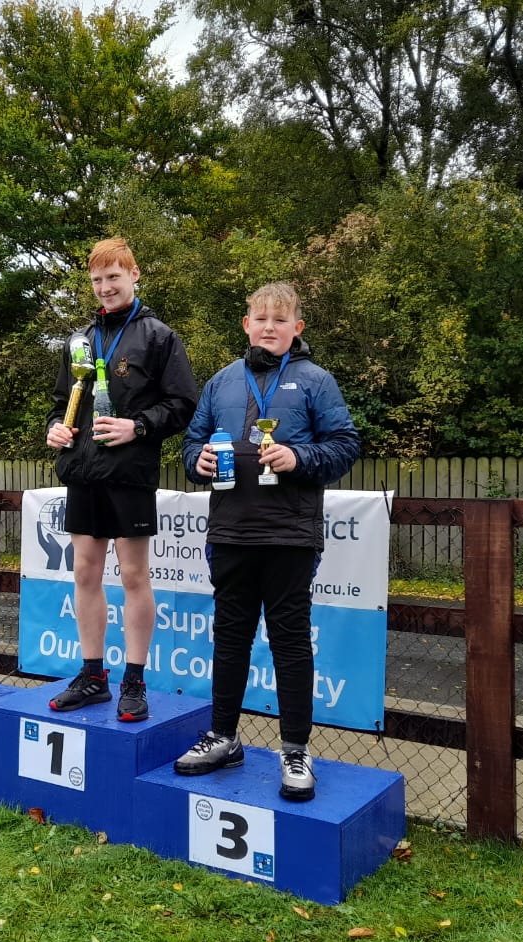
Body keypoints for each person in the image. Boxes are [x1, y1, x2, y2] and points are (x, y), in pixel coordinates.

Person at [173, 282, 359, 800]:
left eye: (280, 320)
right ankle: (223, 736)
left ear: (297, 327)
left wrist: (299, 458)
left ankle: (295, 750)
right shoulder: (221, 382)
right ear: (246, 324)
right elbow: (191, 443)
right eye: (261, 319)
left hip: (290, 534)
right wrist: (197, 461)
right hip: (230, 530)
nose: (270, 328)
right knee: (230, 638)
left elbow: (346, 445)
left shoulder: (316, 380)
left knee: (290, 642)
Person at [45, 237, 198, 721]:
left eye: (113, 276)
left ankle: (134, 680)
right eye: (97, 280)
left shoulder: (158, 336)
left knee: (133, 576)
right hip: (82, 471)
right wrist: (54, 429)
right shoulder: (80, 340)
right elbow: (60, 403)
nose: (105, 287)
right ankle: (93, 676)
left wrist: (138, 427)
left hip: (129, 474)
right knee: (85, 573)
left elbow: (183, 404)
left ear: (134, 275)